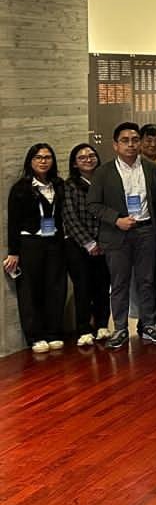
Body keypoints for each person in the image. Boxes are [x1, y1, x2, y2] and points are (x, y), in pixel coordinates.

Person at [88, 122, 156, 349]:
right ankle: (120, 328)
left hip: (146, 230)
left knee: (147, 281)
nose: (131, 144)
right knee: (119, 283)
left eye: (135, 140)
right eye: (125, 140)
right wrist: (116, 219)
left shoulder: (152, 169)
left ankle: (149, 323)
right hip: (117, 233)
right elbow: (93, 204)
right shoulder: (103, 172)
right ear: (115, 145)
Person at [5, 143, 67, 353]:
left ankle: (53, 332)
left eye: (47, 157)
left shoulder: (58, 185)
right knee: (30, 290)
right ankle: (35, 336)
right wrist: (13, 252)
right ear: (30, 161)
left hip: (54, 242)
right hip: (30, 242)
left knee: (55, 287)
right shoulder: (21, 188)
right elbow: (13, 222)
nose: (43, 161)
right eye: (38, 157)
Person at [63, 143, 109, 345]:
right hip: (78, 245)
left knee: (103, 286)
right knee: (83, 287)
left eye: (91, 156)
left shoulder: (105, 181)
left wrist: (102, 240)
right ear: (74, 163)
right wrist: (89, 243)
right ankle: (83, 328)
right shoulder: (69, 186)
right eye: (82, 157)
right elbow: (70, 217)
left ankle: (102, 325)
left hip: (105, 242)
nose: (88, 160)